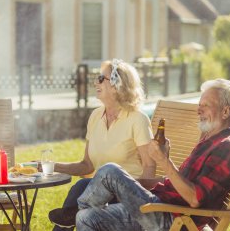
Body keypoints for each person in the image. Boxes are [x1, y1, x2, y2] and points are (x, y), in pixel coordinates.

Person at [71, 78, 230, 231]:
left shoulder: (226, 149)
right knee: (86, 217)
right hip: (161, 207)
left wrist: (163, 160)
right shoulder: (208, 142)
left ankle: (72, 212)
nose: (199, 110)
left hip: (173, 219)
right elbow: (182, 183)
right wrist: (130, 184)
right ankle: (77, 211)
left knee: (109, 171)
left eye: (206, 105)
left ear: (225, 111)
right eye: (199, 105)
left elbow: (194, 198)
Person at [48, 59, 156, 230]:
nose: (94, 82)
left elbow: (150, 165)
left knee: (82, 186)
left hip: (126, 195)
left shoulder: (137, 119)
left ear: (116, 84)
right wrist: (52, 166)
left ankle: (68, 218)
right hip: (97, 194)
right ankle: (70, 217)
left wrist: (135, 193)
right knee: (83, 186)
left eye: (100, 78)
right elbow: (87, 165)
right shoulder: (95, 116)